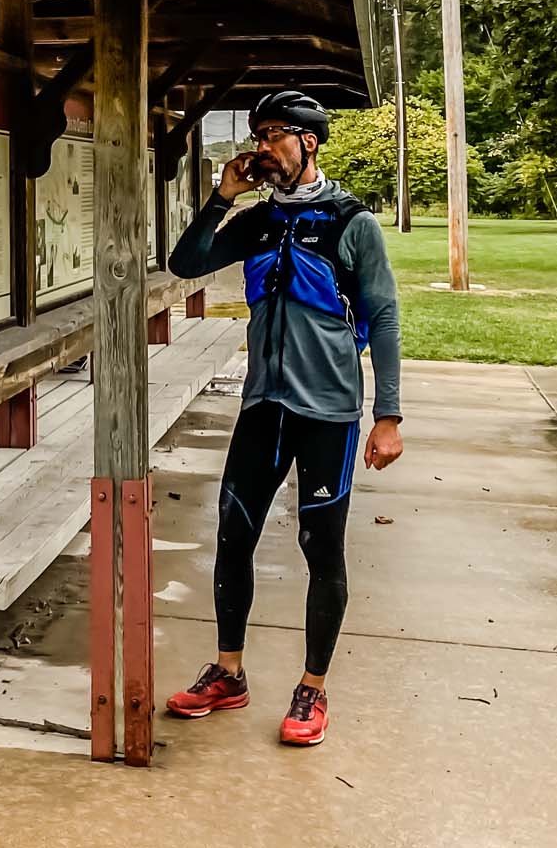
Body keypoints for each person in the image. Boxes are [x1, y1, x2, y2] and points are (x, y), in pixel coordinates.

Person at [162, 89, 403, 746]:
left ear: (310, 142)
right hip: (263, 405)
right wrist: (221, 197)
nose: (263, 148)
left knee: (320, 549)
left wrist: (389, 415)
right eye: (259, 135)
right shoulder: (259, 221)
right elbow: (185, 263)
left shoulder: (353, 222)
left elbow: (382, 316)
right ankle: (230, 673)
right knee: (233, 535)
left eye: (276, 136)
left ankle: (312, 687)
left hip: (328, 410)